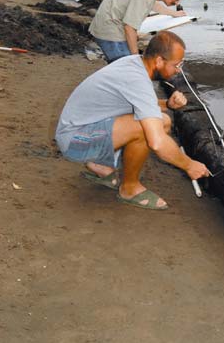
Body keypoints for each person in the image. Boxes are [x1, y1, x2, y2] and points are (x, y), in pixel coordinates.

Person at [55, 30, 209, 211]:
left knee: (163, 121)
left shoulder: (134, 64)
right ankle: (129, 189)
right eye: (177, 64)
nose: (178, 70)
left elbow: (142, 104)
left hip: (82, 129)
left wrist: (167, 104)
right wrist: (189, 165)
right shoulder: (137, 80)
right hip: (75, 141)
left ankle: (102, 164)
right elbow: (157, 143)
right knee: (147, 129)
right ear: (159, 61)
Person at [89, 0, 189, 63]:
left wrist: (174, 13)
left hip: (106, 26)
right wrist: (136, 58)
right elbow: (129, 28)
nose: (177, 3)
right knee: (128, 69)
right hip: (110, 32)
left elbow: (154, 5)